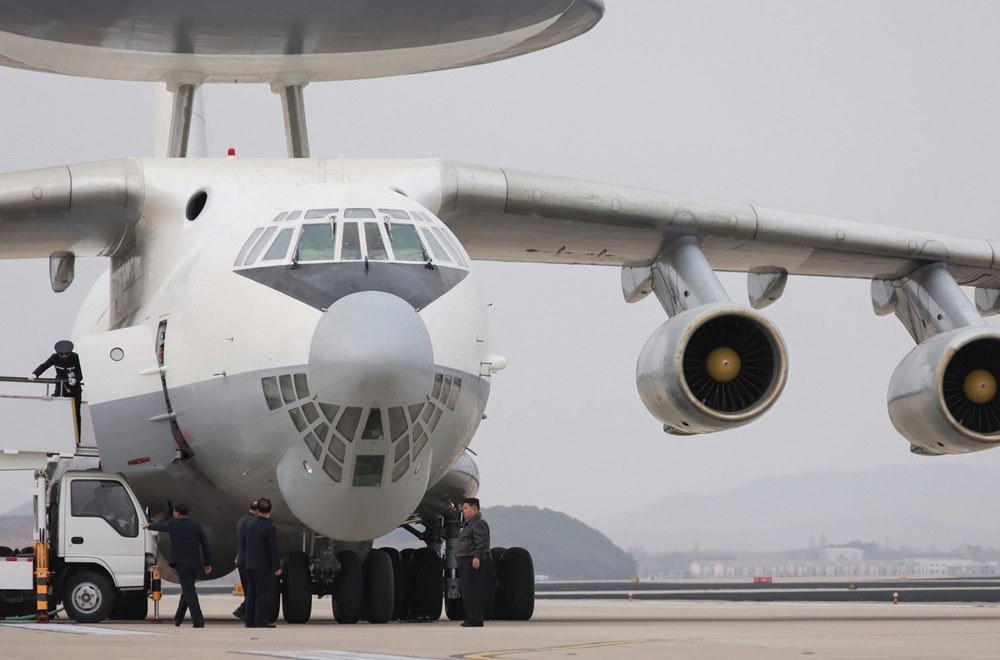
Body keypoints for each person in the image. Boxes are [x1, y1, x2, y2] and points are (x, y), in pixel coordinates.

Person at [142, 503, 213, 627]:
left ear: (177, 513)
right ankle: (178, 618)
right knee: (188, 590)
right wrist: (207, 563)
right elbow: (205, 545)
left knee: (189, 592)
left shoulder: (173, 524)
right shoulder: (196, 526)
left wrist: (148, 526)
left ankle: (198, 621)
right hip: (195, 564)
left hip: (181, 564)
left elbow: (160, 526)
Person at [30, 339, 84, 438]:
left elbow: (81, 372)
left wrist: (76, 379)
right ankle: (56, 436)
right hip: (60, 388)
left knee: (75, 415)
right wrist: (35, 374)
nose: (64, 356)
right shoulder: (54, 358)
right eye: (61, 354)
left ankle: (77, 439)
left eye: (66, 354)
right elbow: (44, 366)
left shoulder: (76, 357)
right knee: (56, 410)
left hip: (74, 390)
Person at [241, 497, 282, 628]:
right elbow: (273, 548)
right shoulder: (270, 527)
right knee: (262, 594)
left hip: (249, 563)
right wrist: (277, 565)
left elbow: (244, 544)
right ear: (271, 510)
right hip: (263, 565)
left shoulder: (249, 524)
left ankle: (249, 620)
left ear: (257, 510)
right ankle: (260, 621)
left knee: (251, 592)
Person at [456, 497, 490, 627]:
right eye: (463, 509)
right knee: (467, 591)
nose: (463, 511)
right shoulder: (470, 523)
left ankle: (475, 619)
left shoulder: (479, 523)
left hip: (472, 560)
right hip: (465, 560)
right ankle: (471, 618)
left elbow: (481, 542)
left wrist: (477, 557)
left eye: (466, 508)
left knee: (472, 591)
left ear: (475, 508)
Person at [233, 500, 259, 621]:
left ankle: (246, 612)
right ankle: (244, 611)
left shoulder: (243, 520)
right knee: (253, 589)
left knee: (249, 589)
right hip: (249, 560)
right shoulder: (253, 522)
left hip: (241, 559)